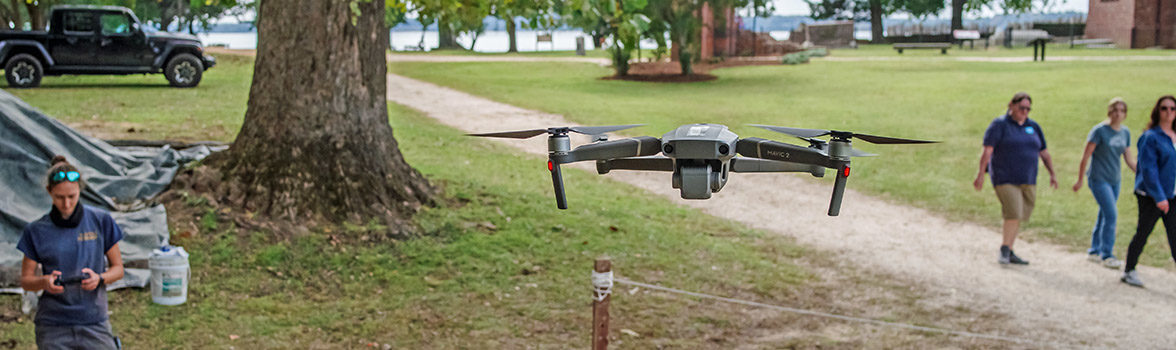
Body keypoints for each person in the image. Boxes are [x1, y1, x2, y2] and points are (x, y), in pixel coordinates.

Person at [18, 155, 124, 349]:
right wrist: (44, 282)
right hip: (54, 324)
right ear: (49, 192)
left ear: (80, 191)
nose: (66, 204)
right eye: (59, 197)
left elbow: (118, 269)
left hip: (93, 320)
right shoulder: (36, 231)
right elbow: (26, 280)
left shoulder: (101, 221)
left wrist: (99, 279)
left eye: (71, 197)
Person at [973, 92, 1058, 265]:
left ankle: (1010, 249)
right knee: (1013, 212)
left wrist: (1052, 174)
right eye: (1022, 108)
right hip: (1004, 177)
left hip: (1027, 178)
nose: (1025, 111)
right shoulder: (1000, 125)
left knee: (1020, 214)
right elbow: (987, 151)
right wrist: (981, 173)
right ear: (1011, 105)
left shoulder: (1033, 126)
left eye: (1028, 108)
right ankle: (1004, 249)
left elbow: (1044, 152)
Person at [1072, 98, 1136, 269]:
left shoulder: (1125, 133)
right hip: (1098, 179)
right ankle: (1107, 254)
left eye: (1122, 110)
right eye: (1115, 110)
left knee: (1104, 213)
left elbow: (1129, 159)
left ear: (1125, 114)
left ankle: (1094, 250)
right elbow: (1085, 157)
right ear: (1109, 112)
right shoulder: (1099, 131)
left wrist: (1144, 173)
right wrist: (1079, 180)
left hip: (1114, 180)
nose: (1118, 113)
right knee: (1111, 214)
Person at [1121, 95, 1176, 287]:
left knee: (1174, 236)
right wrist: (1160, 197)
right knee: (1143, 233)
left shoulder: (1174, 136)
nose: (1169, 112)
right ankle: (1129, 270)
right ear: (1157, 111)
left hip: (1172, 195)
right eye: (1164, 108)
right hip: (1151, 196)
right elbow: (1149, 170)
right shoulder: (1150, 137)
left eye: (1172, 108)